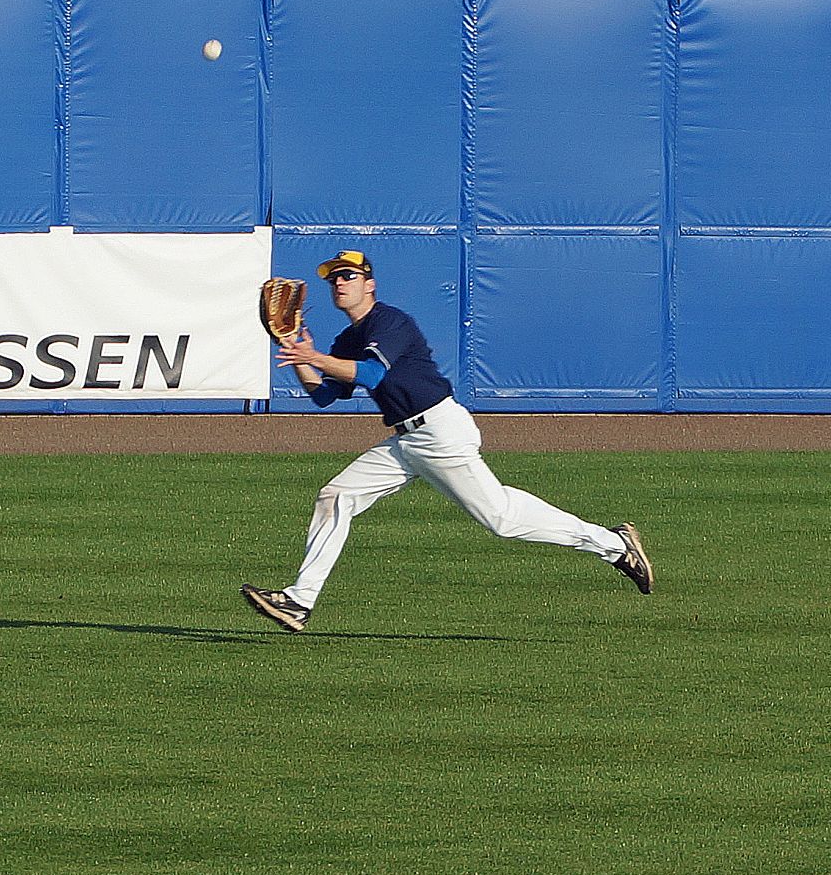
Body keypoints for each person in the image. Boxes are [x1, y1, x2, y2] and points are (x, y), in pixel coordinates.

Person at [241, 249, 653, 633]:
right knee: (336, 496)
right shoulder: (348, 340)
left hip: (440, 431)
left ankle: (613, 545)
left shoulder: (390, 322)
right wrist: (295, 354)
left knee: (503, 519)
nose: (339, 283)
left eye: (348, 276)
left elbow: (372, 375)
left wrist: (315, 358)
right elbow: (325, 395)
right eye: (334, 279)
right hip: (406, 443)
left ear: (370, 284)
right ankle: (299, 601)